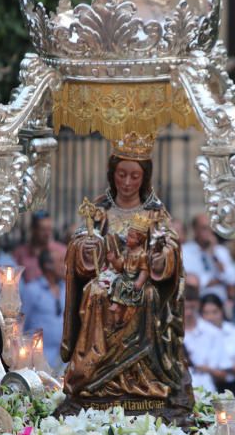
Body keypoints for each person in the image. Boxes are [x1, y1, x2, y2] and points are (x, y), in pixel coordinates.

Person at [60, 132, 194, 419]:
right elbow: (80, 244)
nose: (128, 182)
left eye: (135, 176)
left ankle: (142, 377)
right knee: (94, 292)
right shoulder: (100, 209)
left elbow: (169, 245)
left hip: (139, 279)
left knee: (145, 295)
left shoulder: (154, 212)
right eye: (122, 174)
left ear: (144, 178)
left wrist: (163, 254)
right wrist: (88, 247)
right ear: (112, 174)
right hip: (107, 278)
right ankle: (91, 372)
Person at [22, 248, 66, 371]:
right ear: (48, 265)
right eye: (61, 262)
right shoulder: (32, 290)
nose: (65, 266)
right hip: (39, 361)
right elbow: (21, 325)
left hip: (63, 361)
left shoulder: (66, 289)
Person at [184, 285, 231, 392]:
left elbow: (224, 375)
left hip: (207, 393)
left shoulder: (213, 333)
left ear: (198, 305)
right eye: (185, 307)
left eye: (192, 307)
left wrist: (204, 369)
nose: (189, 313)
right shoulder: (170, 333)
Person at [182, 214, 235, 301]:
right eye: (204, 228)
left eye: (211, 228)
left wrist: (214, 254)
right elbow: (190, 280)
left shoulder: (220, 251)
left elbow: (232, 278)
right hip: (197, 301)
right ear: (195, 230)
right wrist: (218, 281)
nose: (209, 232)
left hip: (220, 302)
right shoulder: (185, 251)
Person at [14, 210, 67, 283]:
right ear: (33, 230)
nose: (47, 234)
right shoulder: (20, 253)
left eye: (49, 229)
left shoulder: (61, 251)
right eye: (43, 230)